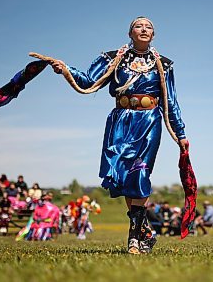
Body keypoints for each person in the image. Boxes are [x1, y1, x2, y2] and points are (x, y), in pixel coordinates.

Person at [43, 16, 189, 254]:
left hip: (149, 121)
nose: (144, 29)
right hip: (120, 122)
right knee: (123, 178)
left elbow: (170, 100)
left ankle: (133, 239)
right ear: (130, 33)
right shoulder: (114, 59)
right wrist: (65, 69)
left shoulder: (164, 64)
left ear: (153, 35)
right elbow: (90, 81)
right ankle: (145, 231)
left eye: (148, 27)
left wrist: (180, 133)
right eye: (138, 26)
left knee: (140, 173)